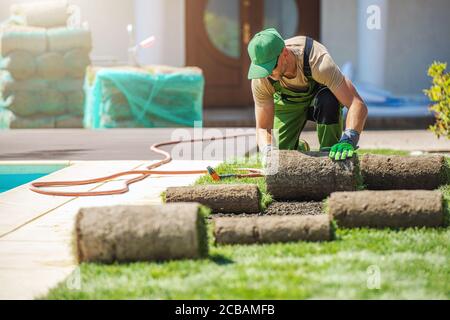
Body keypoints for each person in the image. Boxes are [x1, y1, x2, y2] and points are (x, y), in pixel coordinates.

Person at [248, 28, 368, 161]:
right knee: (281, 157)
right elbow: (263, 128)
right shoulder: (261, 79)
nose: (268, 73)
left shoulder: (318, 61)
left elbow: (356, 104)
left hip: (319, 101)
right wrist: (268, 151)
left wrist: (349, 138)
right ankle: (299, 147)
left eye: (271, 66)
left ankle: (329, 154)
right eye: (262, 69)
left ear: (285, 53)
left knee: (328, 99)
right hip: (288, 103)